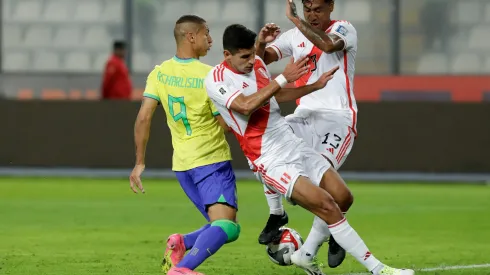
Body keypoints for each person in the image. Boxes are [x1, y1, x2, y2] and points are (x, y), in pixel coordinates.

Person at [205, 23, 414, 275]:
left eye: (253, 54)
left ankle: (305, 254)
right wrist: (284, 77)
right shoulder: (215, 79)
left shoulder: (258, 65)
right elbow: (245, 106)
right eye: (245, 57)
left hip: (291, 142)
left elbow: (274, 96)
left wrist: (314, 86)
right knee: (326, 204)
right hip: (269, 158)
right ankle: (379, 269)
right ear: (227, 55)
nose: (252, 61)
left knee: (342, 196)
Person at [129, 15, 240, 275]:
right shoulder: (209, 75)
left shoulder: (159, 73)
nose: (210, 40)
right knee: (227, 227)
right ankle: (182, 270)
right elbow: (225, 125)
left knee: (222, 226)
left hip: (182, 166)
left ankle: (181, 242)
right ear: (191, 37)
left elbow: (144, 117)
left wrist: (139, 162)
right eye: (206, 34)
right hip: (211, 161)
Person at [255, 0, 360, 272]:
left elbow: (327, 45)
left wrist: (294, 20)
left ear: (331, 7)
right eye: (308, 9)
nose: (313, 15)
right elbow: (258, 61)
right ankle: (277, 214)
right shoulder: (294, 37)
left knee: (328, 190)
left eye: (318, 9)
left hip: (337, 119)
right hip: (304, 114)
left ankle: (321, 241)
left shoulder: (344, 29)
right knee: (265, 147)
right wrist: (260, 43)